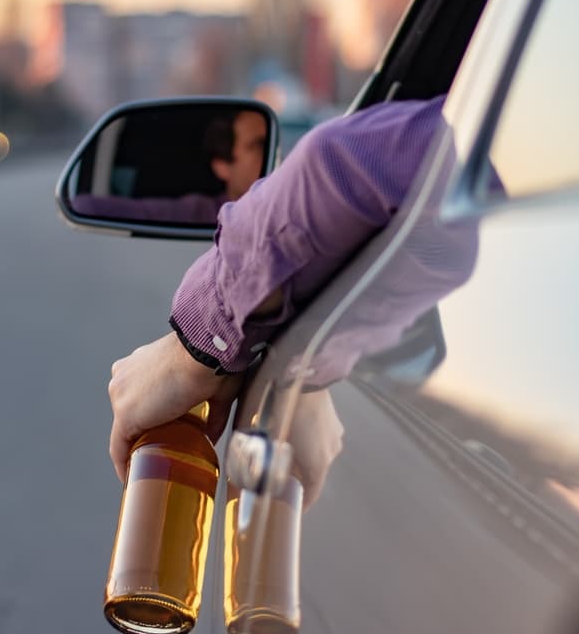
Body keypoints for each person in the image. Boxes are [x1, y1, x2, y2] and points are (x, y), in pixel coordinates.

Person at [106, 95, 447, 482]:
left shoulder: (486, 133)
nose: (273, 163)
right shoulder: (191, 207)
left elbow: (370, 166)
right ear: (222, 165)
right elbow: (375, 176)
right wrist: (301, 368)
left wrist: (195, 350)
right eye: (256, 147)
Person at [73, 110, 268, 224]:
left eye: (273, 145)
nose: (273, 156)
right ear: (222, 166)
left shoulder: (283, 206)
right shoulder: (200, 212)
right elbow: (86, 206)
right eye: (259, 146)